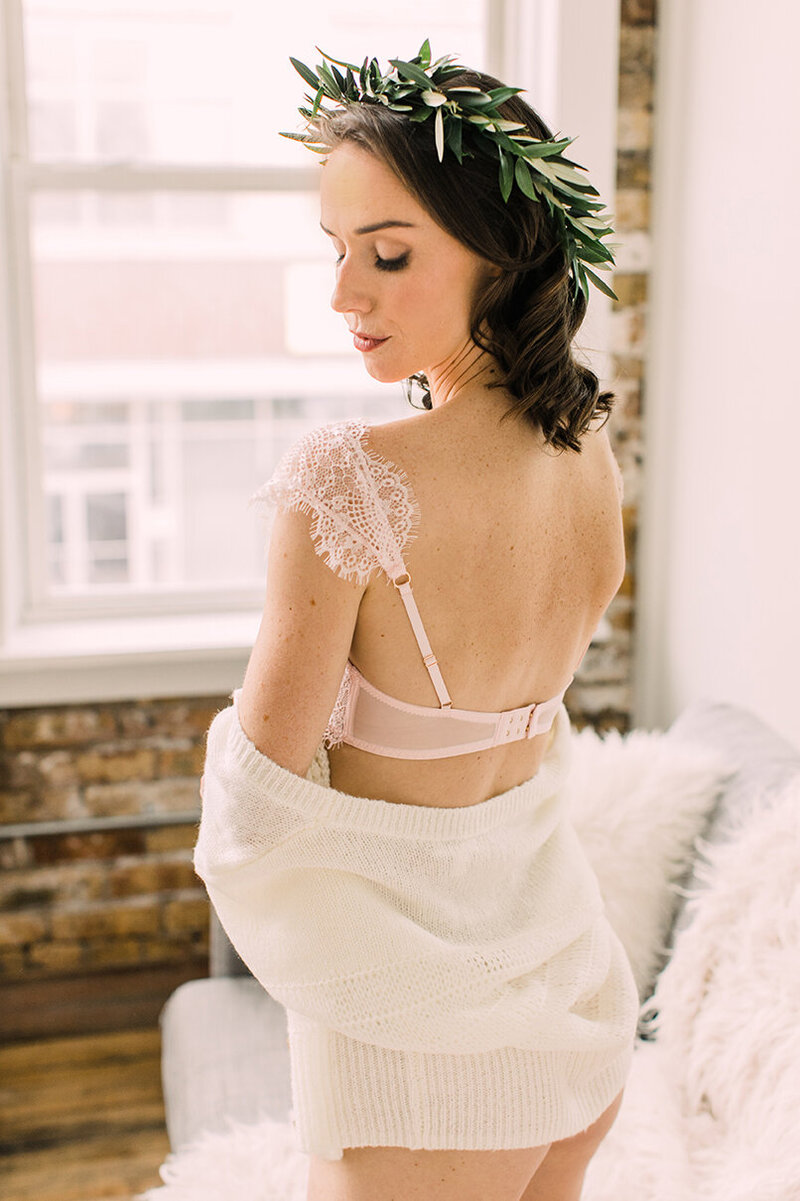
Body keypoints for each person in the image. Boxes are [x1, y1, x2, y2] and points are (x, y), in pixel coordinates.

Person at [194, 41, 639, 1201]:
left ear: (499, 251)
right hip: (571, 988)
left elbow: (262, 783)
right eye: (335, 253)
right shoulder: (588, 440)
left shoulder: (345, 475)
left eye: (386, 255)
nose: (345, 294)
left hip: (419, 1027)